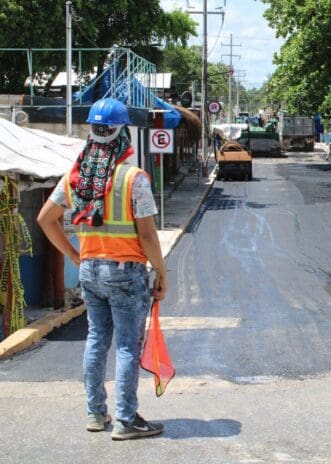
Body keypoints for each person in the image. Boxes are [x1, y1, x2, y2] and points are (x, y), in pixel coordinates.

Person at [37, 98, 167, 441]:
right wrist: (161, 271)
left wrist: (74, 255)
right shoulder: (133, 179)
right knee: (126, 346)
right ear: (123, 133)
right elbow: (148, 234)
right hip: (126, 272)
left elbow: (44, 219)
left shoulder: (76, 177)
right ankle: (125, 420)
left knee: (97, 340)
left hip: (90, 271)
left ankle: (96, 413)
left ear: (92, 132)